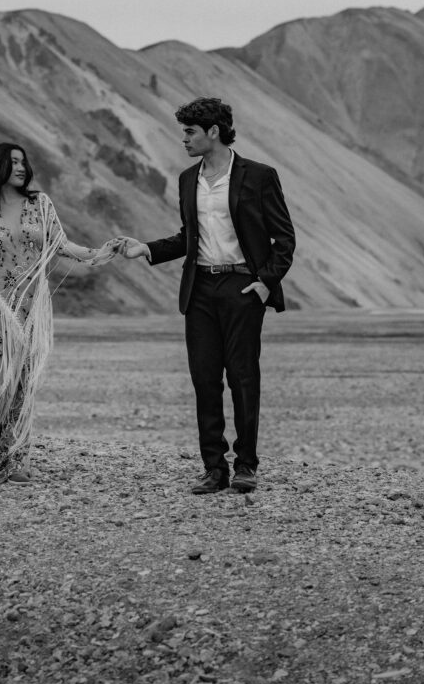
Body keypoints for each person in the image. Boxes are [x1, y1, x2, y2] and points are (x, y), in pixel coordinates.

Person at [116, 97, 295, 495]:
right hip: (199, 290)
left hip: (241, 287)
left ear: (213, 131)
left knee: (244, 379)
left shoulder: (259, 175)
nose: (184, 138)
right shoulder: (186, 180)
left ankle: (246, 464)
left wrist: (264, 283)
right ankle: (214, 469)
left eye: (190, 131)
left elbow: (284, 237)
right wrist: (145, 248)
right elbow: (187, 238)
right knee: (204, 380)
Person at [0, 142, 116, 483]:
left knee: (23, 383)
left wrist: (100, 253)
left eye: (23, 162)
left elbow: (61, 245)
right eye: (13, 161)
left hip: (33, 307)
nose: (21, 167)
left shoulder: (40, 204)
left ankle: (12, 459)